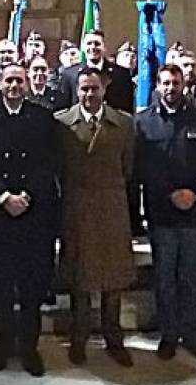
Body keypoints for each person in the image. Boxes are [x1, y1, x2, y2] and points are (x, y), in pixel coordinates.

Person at [0, 65, 59, 376]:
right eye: (9, 80)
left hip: (32, 215)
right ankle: (3, 345)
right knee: (1, 286)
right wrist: (2, 196)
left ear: (27, 84)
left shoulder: (42, 117)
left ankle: (29, 348)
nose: (14, 85)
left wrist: (26, 196)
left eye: (19, 81)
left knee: (31, 288)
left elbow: (49, 162)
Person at [135, 65, 196, 364]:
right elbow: (143, 166)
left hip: (195, 211)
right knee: (165, 277)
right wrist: (170, 193)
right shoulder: (143, 122)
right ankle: (169, 335)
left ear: (184, 85)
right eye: (166, 83)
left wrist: (194, 192)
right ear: (157, 85)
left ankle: (193, 335)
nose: (171, 88)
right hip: (162, 212)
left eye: (176, 83)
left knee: (192, 277)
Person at [56, 68, 136, 366]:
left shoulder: (124, 123)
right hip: (78, 206)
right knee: (80, 277)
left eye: (95, 88)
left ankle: (113, 337)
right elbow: (58, 168)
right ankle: (79, 337)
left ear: (104, 90)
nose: (89, 94)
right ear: (77, 90)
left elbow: (128, 167)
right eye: (84, 89)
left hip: (112, 206)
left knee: (113, 278)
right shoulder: (61, 123)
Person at [58, 30, 135, 112]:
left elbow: (127, 107)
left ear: (104, 47)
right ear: (83, 48)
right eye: (89, 43)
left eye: (97, 44)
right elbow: (64, 107)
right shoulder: (69, 74)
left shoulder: (121, 73)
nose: (93, 47)